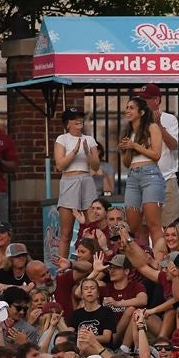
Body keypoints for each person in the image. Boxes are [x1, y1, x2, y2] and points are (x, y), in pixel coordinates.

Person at [119, 97, 166, 251]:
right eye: (127, 107)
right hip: (132, 175)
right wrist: (126, 150)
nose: (127, 111)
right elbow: (126, 163)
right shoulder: (127, 131)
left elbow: (156, 154)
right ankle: (141, 259)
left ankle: (160, 260)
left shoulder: (152, 127)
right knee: (133, 225)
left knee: (153, 224)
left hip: (150, 174)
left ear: (142, 112)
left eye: (131, 108)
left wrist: (134, 145)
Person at [53, 107, 100, 259]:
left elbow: (96, 166)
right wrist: (74, 151)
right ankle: (63, 268)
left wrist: (86, 152)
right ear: (67, 124)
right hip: (69, 181)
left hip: (86, 181)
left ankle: (92, 265)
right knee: (66, 233)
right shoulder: (62, 139)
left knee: (91, 227)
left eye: (80, 117)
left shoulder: (90, 139)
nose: (79, 120)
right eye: (74, 118)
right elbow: (60, 165)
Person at [134, 85, 179, 227]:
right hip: (142, 179)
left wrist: (158, 125)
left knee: (170, 226)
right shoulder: (135, 120)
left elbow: (173, 145)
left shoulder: (169, 119)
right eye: (141, 99)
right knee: (142, 227)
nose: (142, 102)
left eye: (146, 99)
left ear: (157, 100)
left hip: (166, 179)